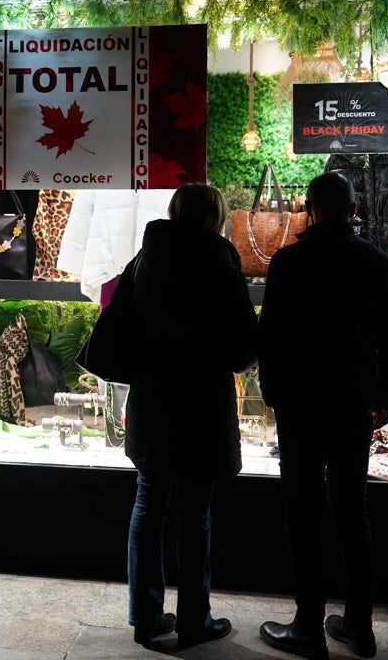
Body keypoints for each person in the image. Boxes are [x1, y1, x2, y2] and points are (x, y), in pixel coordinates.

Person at [257, 171, 388, 660]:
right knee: (350, 512)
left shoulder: (289, 261)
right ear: (354, 210)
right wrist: (384, 394)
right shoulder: (374, 262)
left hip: (300, 404)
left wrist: (273, 392)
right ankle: (359, 627)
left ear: (310, 210)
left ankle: (308, 626)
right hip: (351, 402)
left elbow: (271, 336)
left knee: (303, 514)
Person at [116, 183, 258, 649]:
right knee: (195, 513)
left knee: (148, 504)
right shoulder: (220, 262)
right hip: (200, 405)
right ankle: (195, 621)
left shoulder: (145, 260)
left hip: (152, 401)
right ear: (215, 217)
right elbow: (242, 349)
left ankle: (144, 617)